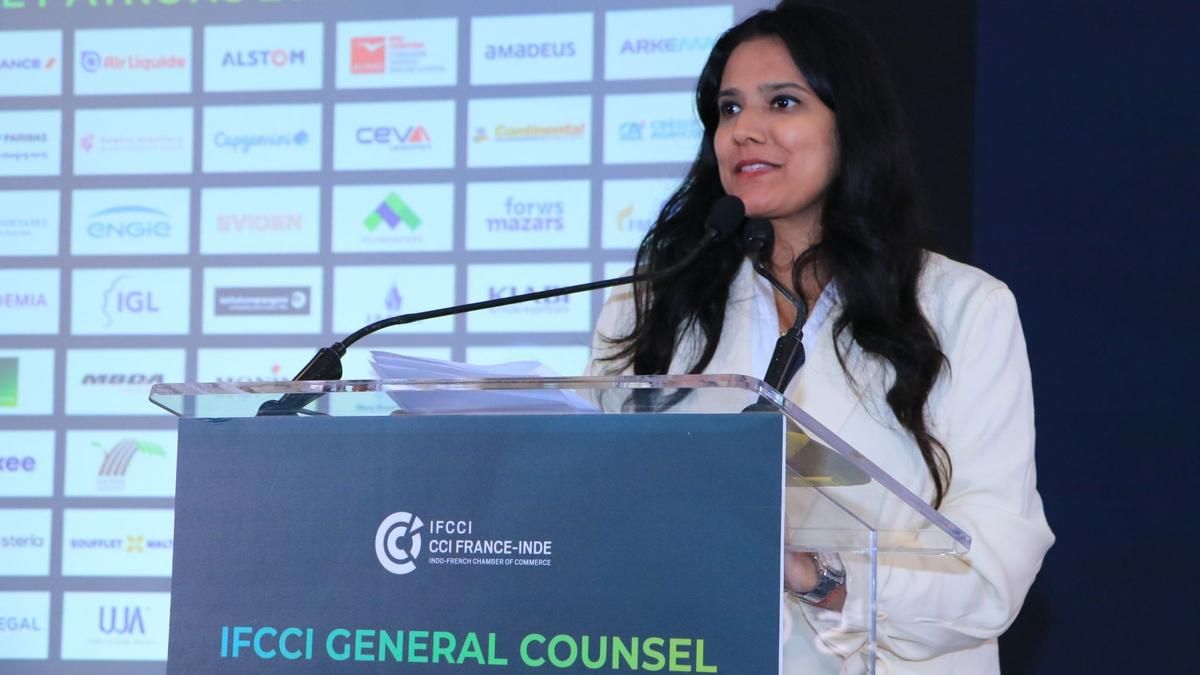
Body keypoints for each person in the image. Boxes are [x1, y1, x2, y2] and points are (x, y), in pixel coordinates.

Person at [586, 4, 1054, 673]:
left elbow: (993, 571)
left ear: (851, 124)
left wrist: (821, 578)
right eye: (728, 109)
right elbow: (597, 499)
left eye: (782, 102)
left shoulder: (963, 308)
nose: (744, 130)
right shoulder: (654, 303)